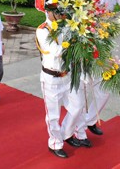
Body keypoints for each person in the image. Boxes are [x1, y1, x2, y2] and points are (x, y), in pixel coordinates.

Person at [36, 8, 91, 159]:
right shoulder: (42, 30)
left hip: (67, 76)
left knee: (78, 106)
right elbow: (57, 51)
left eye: (61, 12)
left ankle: (66, 133)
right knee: (53, 115)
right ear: (48, 12)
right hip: (51, 78)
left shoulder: (66, 26)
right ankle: (55, 143)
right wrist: (77, 44)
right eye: (56, 12)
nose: (60, 15)